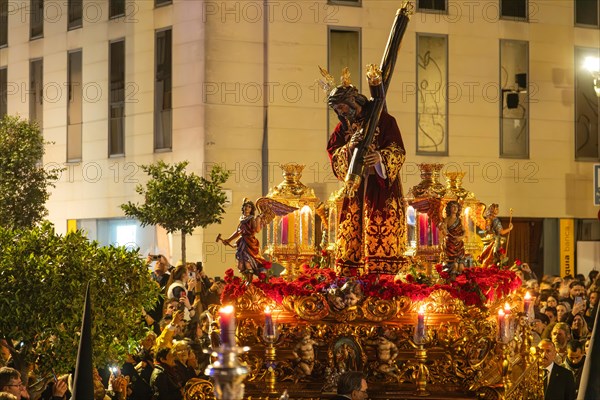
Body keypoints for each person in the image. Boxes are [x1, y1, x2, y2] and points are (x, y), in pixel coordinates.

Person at [325, 71, 406, 276]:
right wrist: (349, 148)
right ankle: (352, 278)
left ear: (352, 101)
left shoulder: (384, 120)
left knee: (381, 231)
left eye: (342, 107)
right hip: (356, 188)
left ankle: (383, 280)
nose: (341, 113)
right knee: (353, 233)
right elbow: (333, 154)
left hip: (381, 189)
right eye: (337, 110)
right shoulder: (341, 128)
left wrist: (380, 158)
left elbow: (397, 151)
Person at [220, 199, 268, 279]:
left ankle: (249, 281)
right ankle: (247, 280)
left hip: (249, 242)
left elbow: (257, 230)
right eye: (246, 206)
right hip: (242, 242)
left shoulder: (251, 218)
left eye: (249, 207)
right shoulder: (242, 219)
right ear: (243, 208)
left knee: (247, 262)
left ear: (251, 209)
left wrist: (258, 220)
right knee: (240, 265)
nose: (247, 208)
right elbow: (238, 231)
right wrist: (229, 239)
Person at [439, 200, 466, 266]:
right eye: (453, 206)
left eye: (456, 207)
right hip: (450, 243)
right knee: (453, 263)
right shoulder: (447, 219)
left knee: (461, 265)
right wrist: (443, 228)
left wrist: (461, 237)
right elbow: (444, 232)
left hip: (458, 243)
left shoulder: (459, 220)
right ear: (449, 208)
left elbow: (464, 231)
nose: (455, 208)